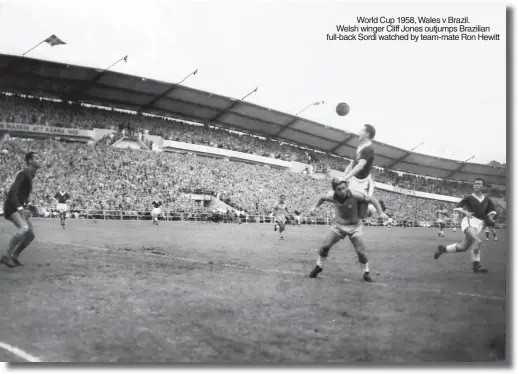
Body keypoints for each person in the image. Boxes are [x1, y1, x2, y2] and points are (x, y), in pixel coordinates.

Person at [307, 178, 388, 282]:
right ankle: (319, 266)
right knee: (325, 246)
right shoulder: (332, 196)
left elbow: (372, 199)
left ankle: (366, 273)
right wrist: (313, 208)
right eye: (339, 189)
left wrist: (381, 213)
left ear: (347, 187)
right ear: (334, 190)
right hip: (338, 225)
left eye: (344, 188)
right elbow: (322, 197)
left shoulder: (355, 195)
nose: (342, 191)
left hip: (354, 226)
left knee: (361, 252)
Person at [434, 178, 497, 273]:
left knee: (462, 247)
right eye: (475, 184)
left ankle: (443, 249)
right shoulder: (468, 197)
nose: (476, 185)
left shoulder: (487, 199)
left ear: (483, 186)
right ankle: (476, 266)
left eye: (479, 184)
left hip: (479, 224)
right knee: (477, 240)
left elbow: (491, 211)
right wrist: (465, 212)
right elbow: (457, 208)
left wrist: (491, 217)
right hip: (469, 221)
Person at [1, 152, 41, 268]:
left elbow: (21, 195)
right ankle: (6, 256)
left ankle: (14, 255)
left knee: (30, 235)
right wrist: (20, 208)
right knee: (24, 228)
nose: (40, 160)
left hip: (18, 207)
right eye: (37, 158)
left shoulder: (30, 175)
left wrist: (28, 205)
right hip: (12, 207)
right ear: (30, 161)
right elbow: (12, 192)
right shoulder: (24, 173)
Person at [341, 124, 377, 218]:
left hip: (363, 183)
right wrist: (344, 176)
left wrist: (345, 178)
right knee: (349, 206)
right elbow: (352, 163)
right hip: (354, 180)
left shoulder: (369, 149)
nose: (359, 132)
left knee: (361, 215)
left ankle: (371, 207)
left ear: (367, 134)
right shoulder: (360, 147)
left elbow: (360, 166)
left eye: (361, 130)